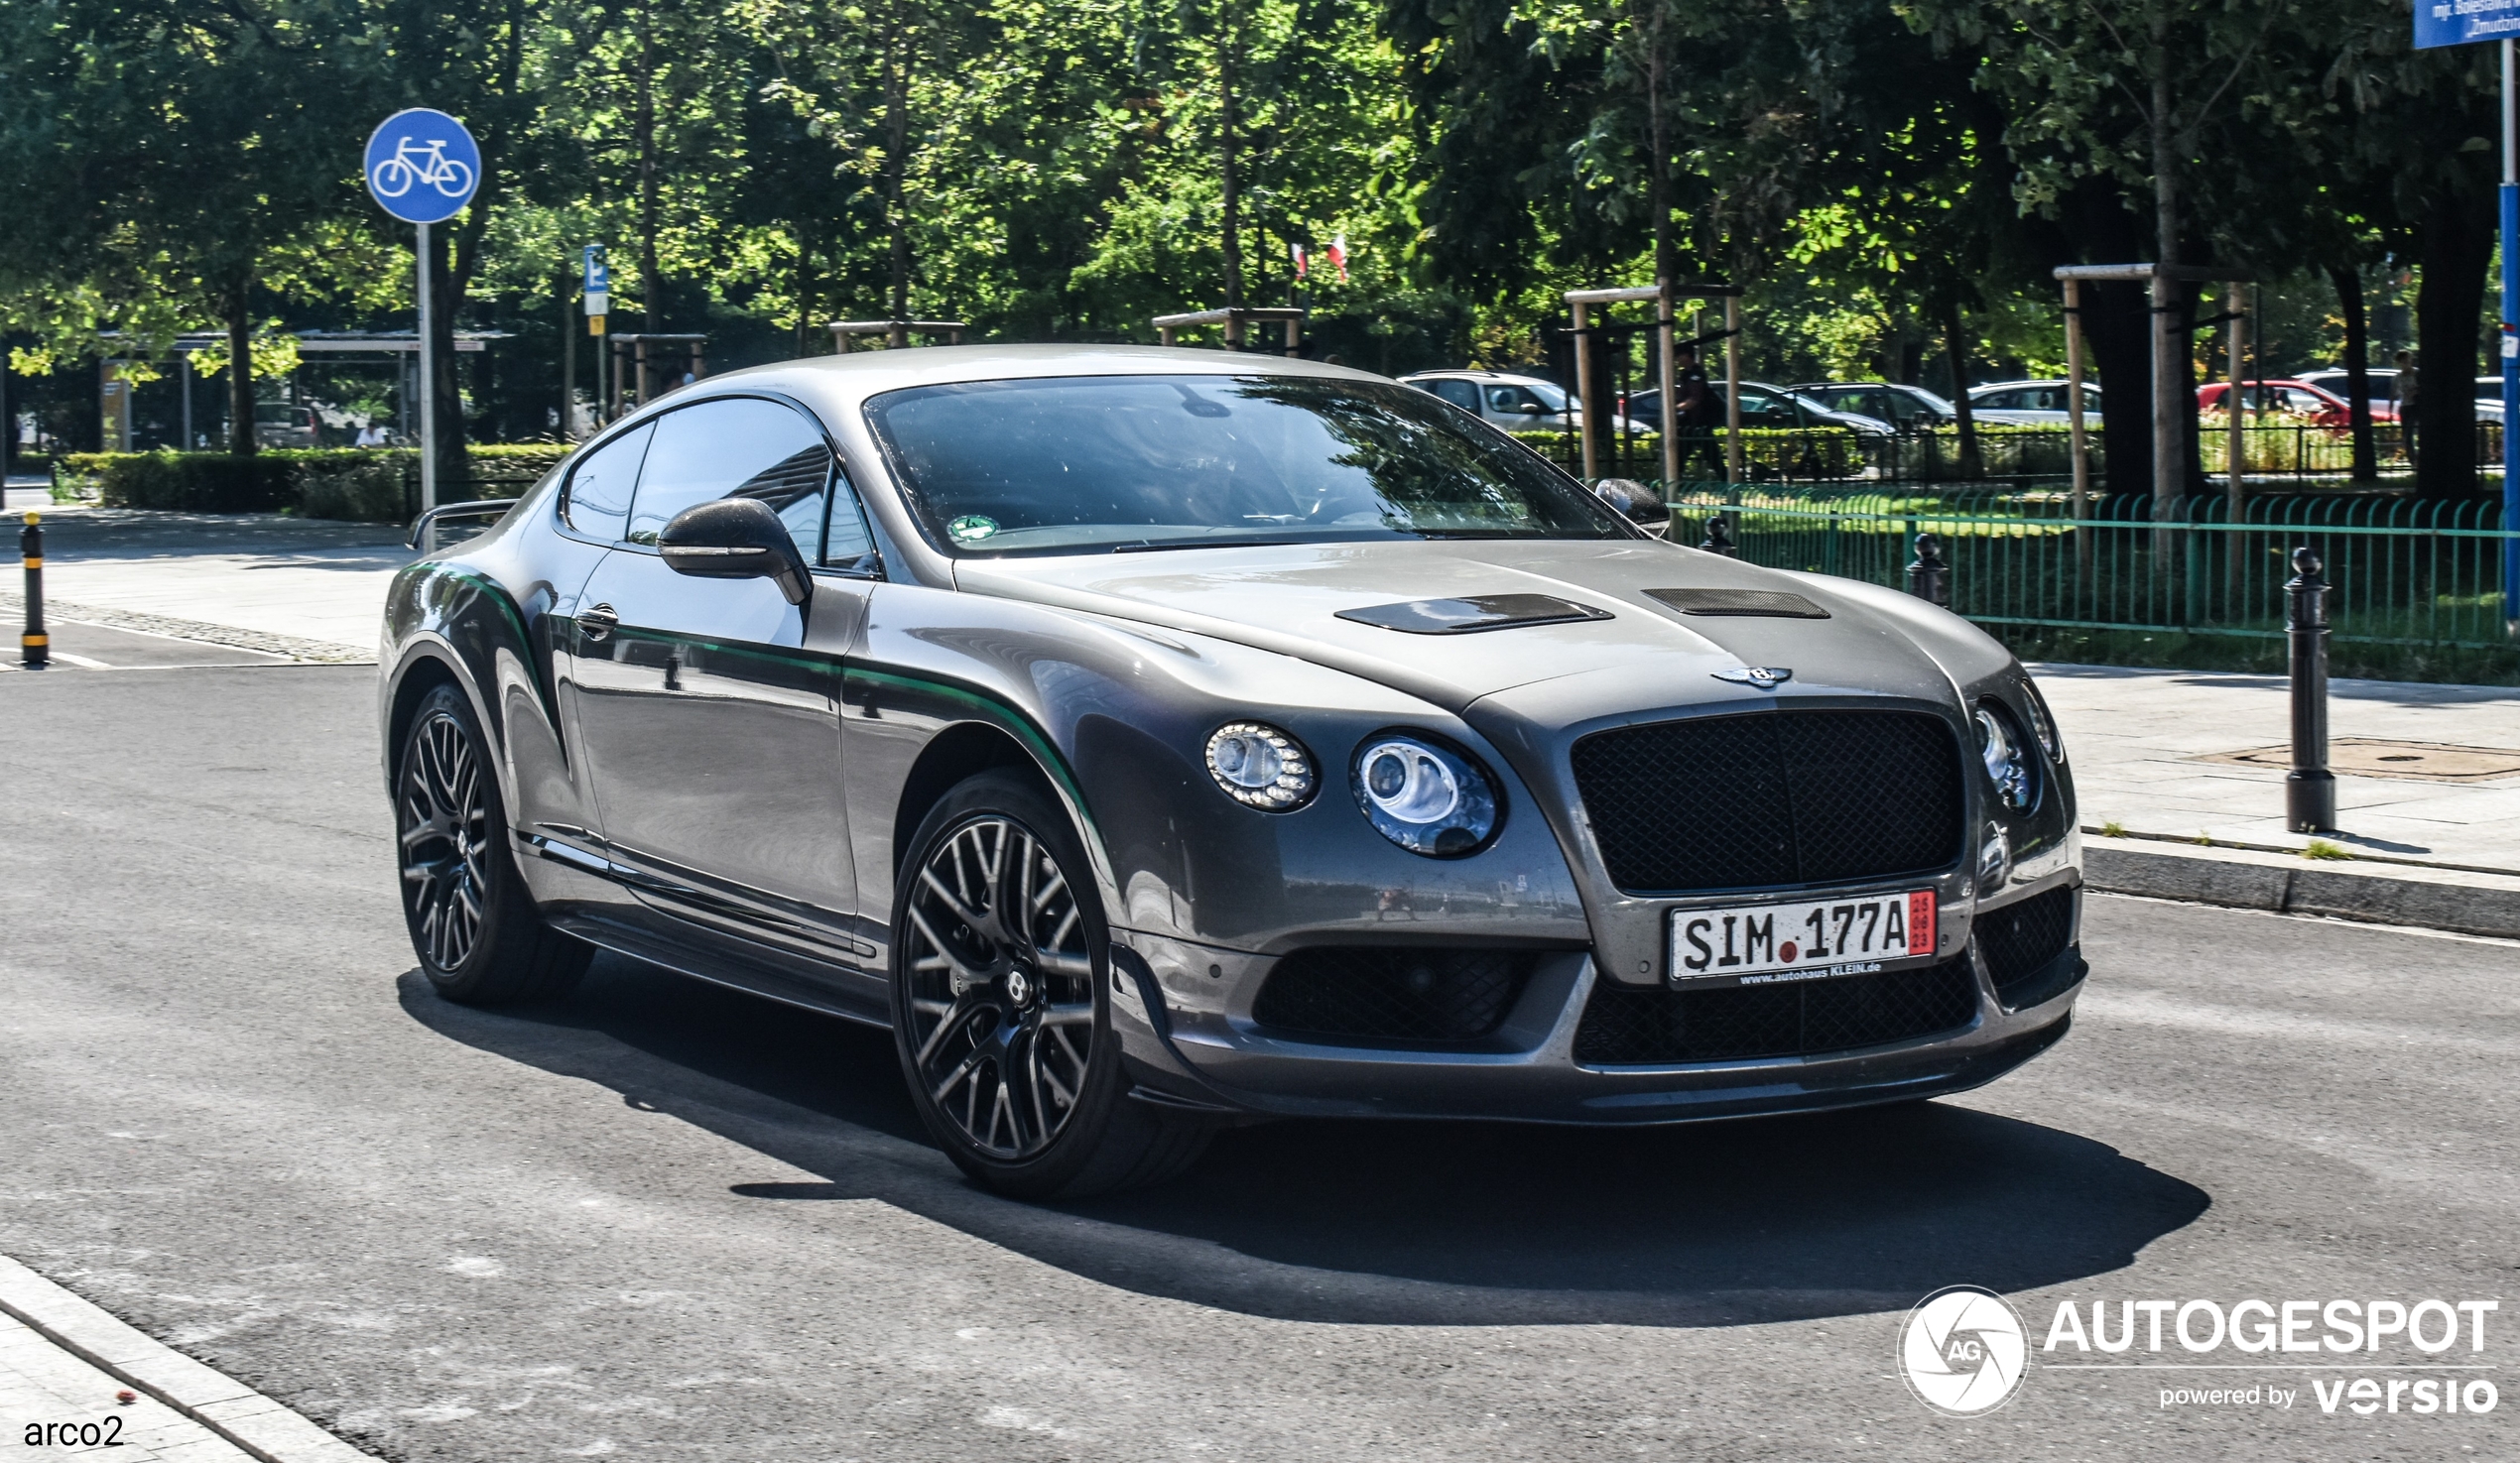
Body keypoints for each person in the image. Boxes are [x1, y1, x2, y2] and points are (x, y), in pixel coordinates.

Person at [1669, 344, 1722, 481]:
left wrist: (1675, 409)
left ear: (1687, 355)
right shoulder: (1686, 374)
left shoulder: (1695, 375)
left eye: (1679, 355)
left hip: (1698, 424)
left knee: (1713, 459)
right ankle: (1671, 486)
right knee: (1678, 459)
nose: (1676, 359)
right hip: (1690, 424)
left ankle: (1730, 484)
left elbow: (1694, 399)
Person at [2394, 349, 2419, 466]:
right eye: (2403, 361)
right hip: (2404, 406)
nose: (2406, 363)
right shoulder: (2398, 377)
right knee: (2406, 435)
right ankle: (2412, 459)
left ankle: (2416, 458)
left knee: (2410, 431)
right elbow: (2394, 392)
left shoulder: (2417, 373)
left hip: (2415, 406)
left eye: (2408, 360)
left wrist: (2415, 391)